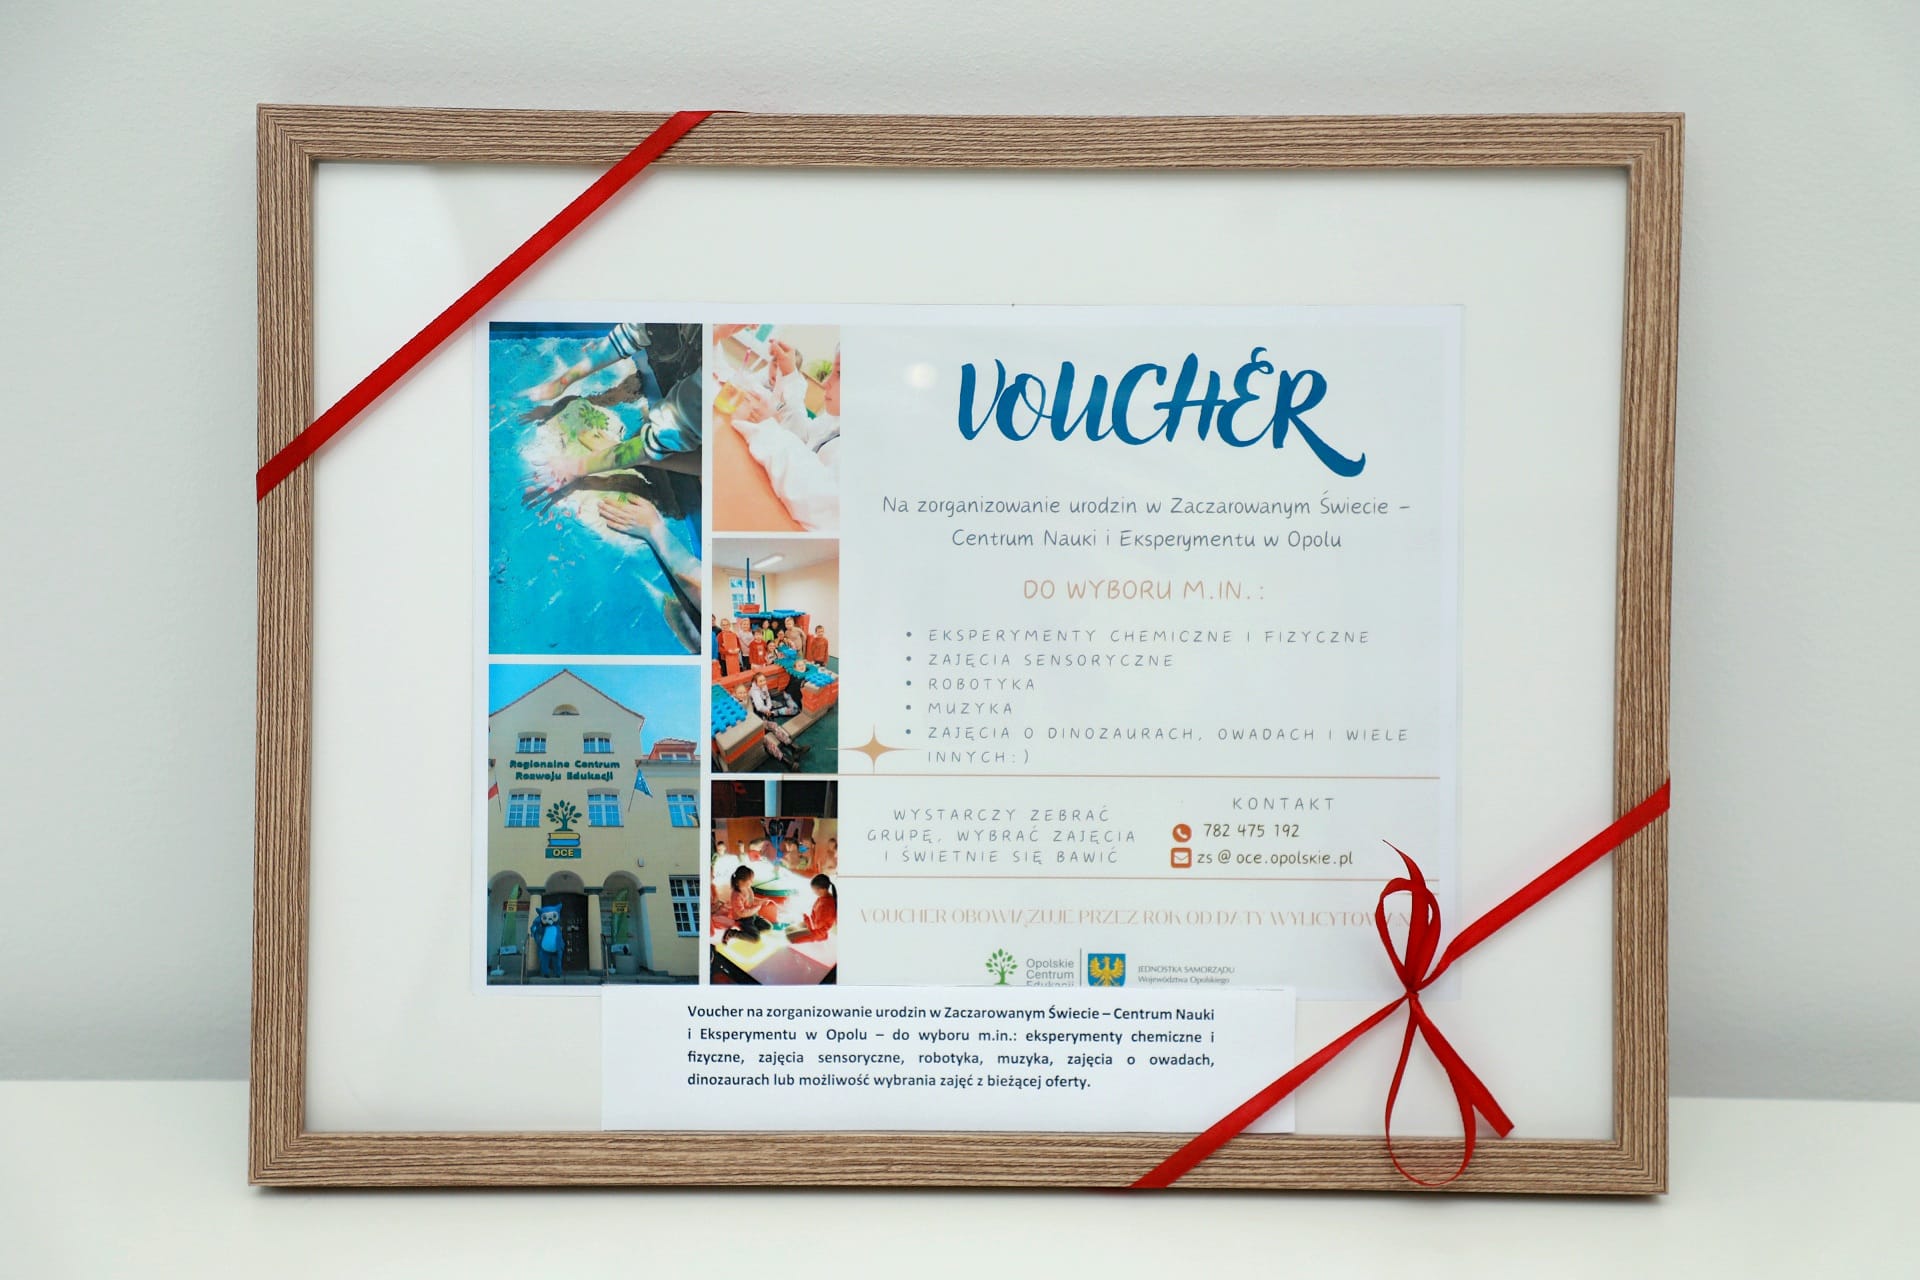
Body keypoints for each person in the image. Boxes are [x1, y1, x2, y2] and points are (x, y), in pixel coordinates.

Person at [713, 865, 773, 946]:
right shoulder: (736, 895)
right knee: (756, 939)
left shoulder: (748, 888)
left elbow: (751, 899)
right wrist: (756, 908)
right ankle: (732, 933)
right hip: (743, 919)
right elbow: (742, 913)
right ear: (741, 881)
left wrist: (761, 901)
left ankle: (750, 932)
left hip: (752, 915)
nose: (752, 882)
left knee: (768, 927)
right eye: (750, 880)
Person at [784, 874, 838, 945]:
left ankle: (820, 939)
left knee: (790, 937)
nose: (813, 892)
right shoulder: (822, 898)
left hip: (819, 933)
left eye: (814, 890)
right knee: (788, 929)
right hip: (814, 926)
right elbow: (814, 916)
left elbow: (819, 925)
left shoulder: (826, 905)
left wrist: (806, 923)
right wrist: (805, 918)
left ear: (822, 889)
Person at [530, 905, 564, 979]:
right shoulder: (543, 928)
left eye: (553, 916)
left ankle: (557, 973)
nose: (550, 919)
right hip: (544, 948)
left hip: (556, 948)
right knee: (544, 961)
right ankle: (546, 973)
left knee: (557, 962)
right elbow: (537, 929)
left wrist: (561, 945)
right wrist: (537, 923)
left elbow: (560, 936)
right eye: (546, 917)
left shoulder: (557, 927)